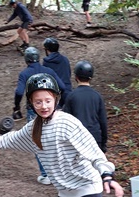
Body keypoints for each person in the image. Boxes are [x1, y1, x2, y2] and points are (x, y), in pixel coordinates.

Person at [12, 46, 66, 185]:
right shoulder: (49, 71)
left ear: (26, 59)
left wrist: (16, 106)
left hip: (34, 110)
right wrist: (55, 102)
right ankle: (59, 172)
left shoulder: (25, 73)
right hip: (51, 108)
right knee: (53, 137)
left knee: (38, 140)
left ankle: (46, 174)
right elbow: (62, 87)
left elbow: (19, 92)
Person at [64, 60, 108, 152]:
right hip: (95, 138)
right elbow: (103, 121)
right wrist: (104, 142)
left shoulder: (71, 96)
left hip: (77, 139)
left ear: (76, 77)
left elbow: (66, 121)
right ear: (91, 78)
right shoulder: (97, 96)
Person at [42, 37, 72, 104]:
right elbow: (69, 74)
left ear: (47, 49)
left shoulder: (46, 62)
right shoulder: (65, 59)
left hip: (54, 93)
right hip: (67, 91)